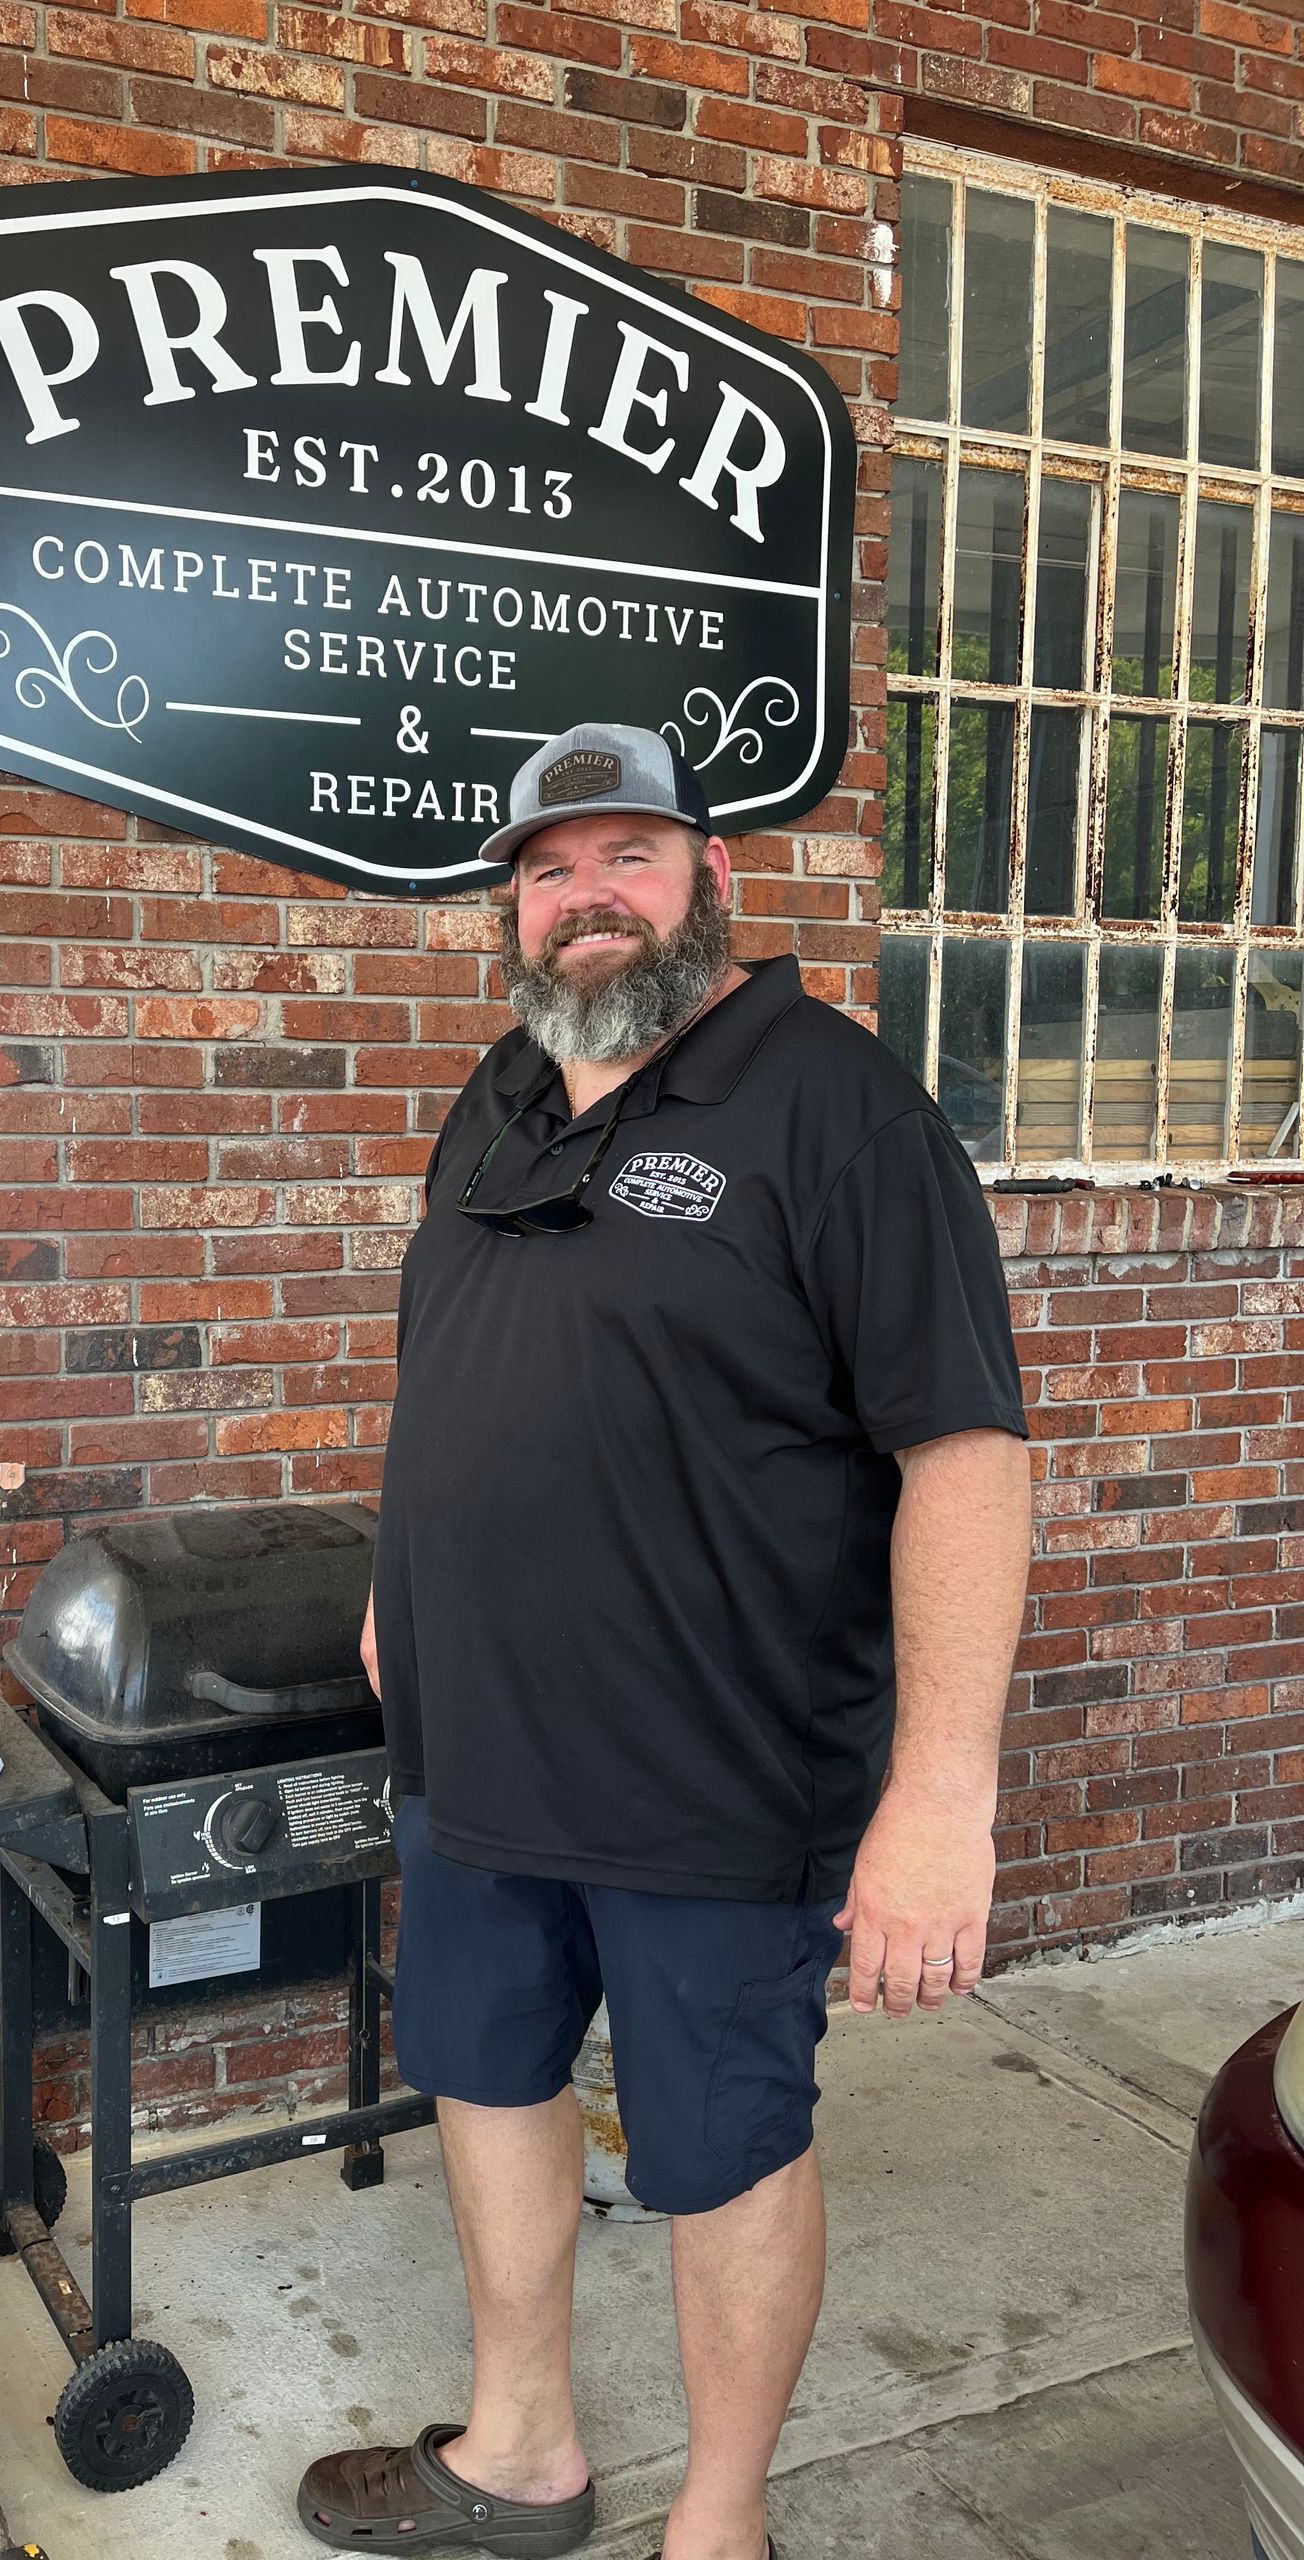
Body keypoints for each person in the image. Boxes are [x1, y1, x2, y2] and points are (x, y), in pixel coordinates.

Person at [297, 725, 1032, 2560]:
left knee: (723, 2149)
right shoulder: (506, 1091)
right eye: (549, 869)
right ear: (513, 909)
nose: (587, 895)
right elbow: (456, 1367)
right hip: (477, 1749)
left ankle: (722, 2523)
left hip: (716, 1768)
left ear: (711, 877)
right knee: (486, 2070)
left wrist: (941, 1797)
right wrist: (404, 1578)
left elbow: (964, 1448)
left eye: (630, 853)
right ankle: (523, 2450)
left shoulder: (835, 1107)